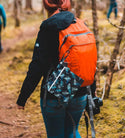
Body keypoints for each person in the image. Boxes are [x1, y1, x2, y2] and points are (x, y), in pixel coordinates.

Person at [16, 0, 89, 137]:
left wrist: (23, 97)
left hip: (55, 93)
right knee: (72, 132)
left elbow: (38, 65)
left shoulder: (48, 27)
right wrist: (92, 91)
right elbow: (87, 60)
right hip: (80, 89)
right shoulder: (79, 23)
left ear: (46, 4)